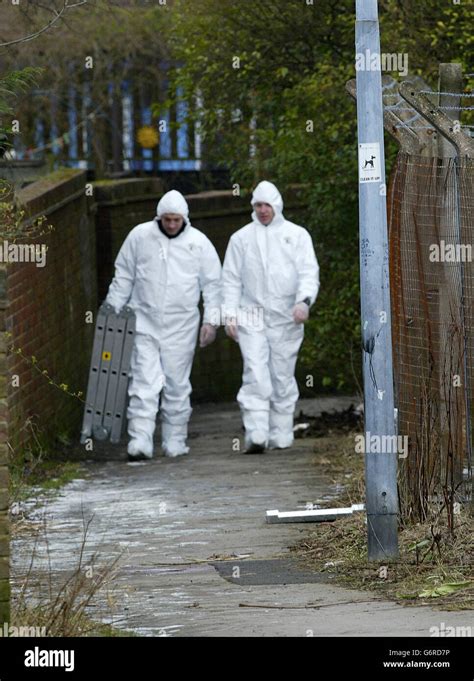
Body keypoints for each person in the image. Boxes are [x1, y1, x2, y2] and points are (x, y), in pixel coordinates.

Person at [105, 190, 221, 461]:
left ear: (185, 219)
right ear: (159, 217)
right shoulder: (140, 237)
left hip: (181, 325)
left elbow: (213, 285)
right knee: (143, 381)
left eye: (176, 220)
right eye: (167, 219)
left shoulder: (199, 243)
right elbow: (124, 275)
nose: (171, 225)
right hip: (143, 320)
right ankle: (140, 439)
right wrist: (114, 309)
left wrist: (211, 322)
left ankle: (175, 440)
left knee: (176, 383)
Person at [222, 180, 319, 453]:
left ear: (276, 205)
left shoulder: (297, 235)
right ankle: (256, 432)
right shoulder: (240, 239)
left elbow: (308, 272)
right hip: (250, 315)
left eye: (267, 205)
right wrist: (229, 315)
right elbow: (229, 280)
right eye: (257, 205)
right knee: (254, 371)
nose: (262, 210)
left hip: (286, 316)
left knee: (282, 375)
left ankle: (281, 432)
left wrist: (304, 302)